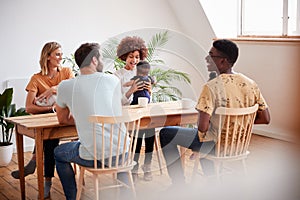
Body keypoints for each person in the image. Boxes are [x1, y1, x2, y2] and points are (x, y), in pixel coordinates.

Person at [159, 39, 271, 186]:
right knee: (207, 135)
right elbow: (266, 118)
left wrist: (215, 125)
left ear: (223, 61)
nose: (206, 58)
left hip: (214, 146)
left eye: (211, 55)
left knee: (166, 133)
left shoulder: (211, 87)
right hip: (238, 145)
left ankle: (179, 185)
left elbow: (202, 128)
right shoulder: (251, 84)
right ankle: (212, 179)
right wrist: (236, 125)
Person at [54, 43, 125, 200]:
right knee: (119, 151)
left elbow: (62, 119)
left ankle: (72, 198)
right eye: (101, 58)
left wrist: (84, 119)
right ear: (94, 60)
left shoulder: (66, 86)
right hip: (124, 153)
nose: (103, 61)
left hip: (95, 157)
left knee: (58, 153)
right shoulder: (113, 80)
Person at [10, 41, 74, 198]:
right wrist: (51, 109)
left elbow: (75, 90)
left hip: (64, 117)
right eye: (57, 54)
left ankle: (34, 162)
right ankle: (46, 181)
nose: (61, 57)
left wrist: (53, 89)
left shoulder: (66, 72)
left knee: (49, 138)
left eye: (61, 54)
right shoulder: (36, 79)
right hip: (46, 119)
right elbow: (29, 108)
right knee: (50, 139)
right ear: (48, 57)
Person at [114, 36, 155, 181]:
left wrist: (150, 91)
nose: (134, 60)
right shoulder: (117, 75)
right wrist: (131, 90)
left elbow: (148, 99)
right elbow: (117, 101)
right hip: (126, 115)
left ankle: (147, 166)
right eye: (131, 56)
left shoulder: (142, 73)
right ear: (124, 56)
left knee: (150, 132)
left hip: (143, 112)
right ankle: (135, 167)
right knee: (137, 136)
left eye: (137, 57)